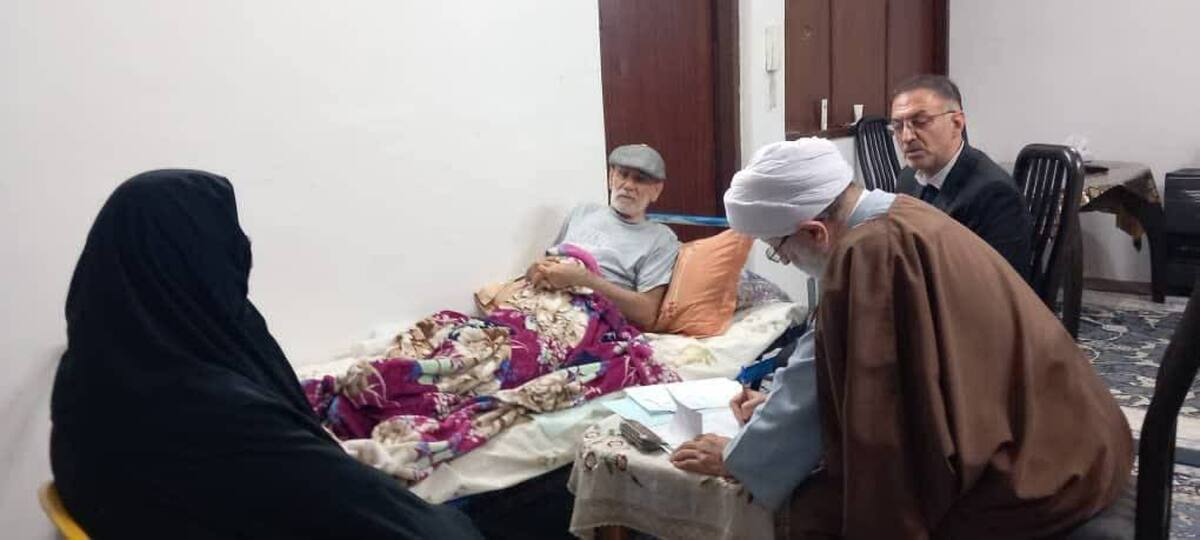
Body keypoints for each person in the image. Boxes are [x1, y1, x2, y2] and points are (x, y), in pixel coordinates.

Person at [671, 139, 1132, 538]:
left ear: (814, 232)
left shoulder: (869, 253)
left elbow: (820, 381)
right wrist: (777, 404)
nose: (785, 260)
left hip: (1039, 477)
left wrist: (739, 458)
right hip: (1081, 440)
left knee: (814, 510)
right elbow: (839, 361)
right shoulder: (900, 212)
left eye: (779, 250)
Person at [49, 170, 482, 539]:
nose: (241, 247)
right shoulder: (214, 414)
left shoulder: (92, 369)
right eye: (225, 239)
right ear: (199, 259)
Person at [891, 74, 1034, 278]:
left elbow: (998, 284)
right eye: (898, 126)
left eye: (920, 122)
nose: (906, 137)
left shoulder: (994, 193)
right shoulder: (907, 178)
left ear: (957, 123)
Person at [527, 144, 679, 329]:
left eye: (639, 180)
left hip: (589, 317)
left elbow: (646, 313)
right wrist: (536, 271)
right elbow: (548, 262)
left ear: (656, 190)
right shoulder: (582, 212)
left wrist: (584, 280)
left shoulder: (661, 238)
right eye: (623, 175)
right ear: (611, 177)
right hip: (540, 301)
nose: (628, 186)